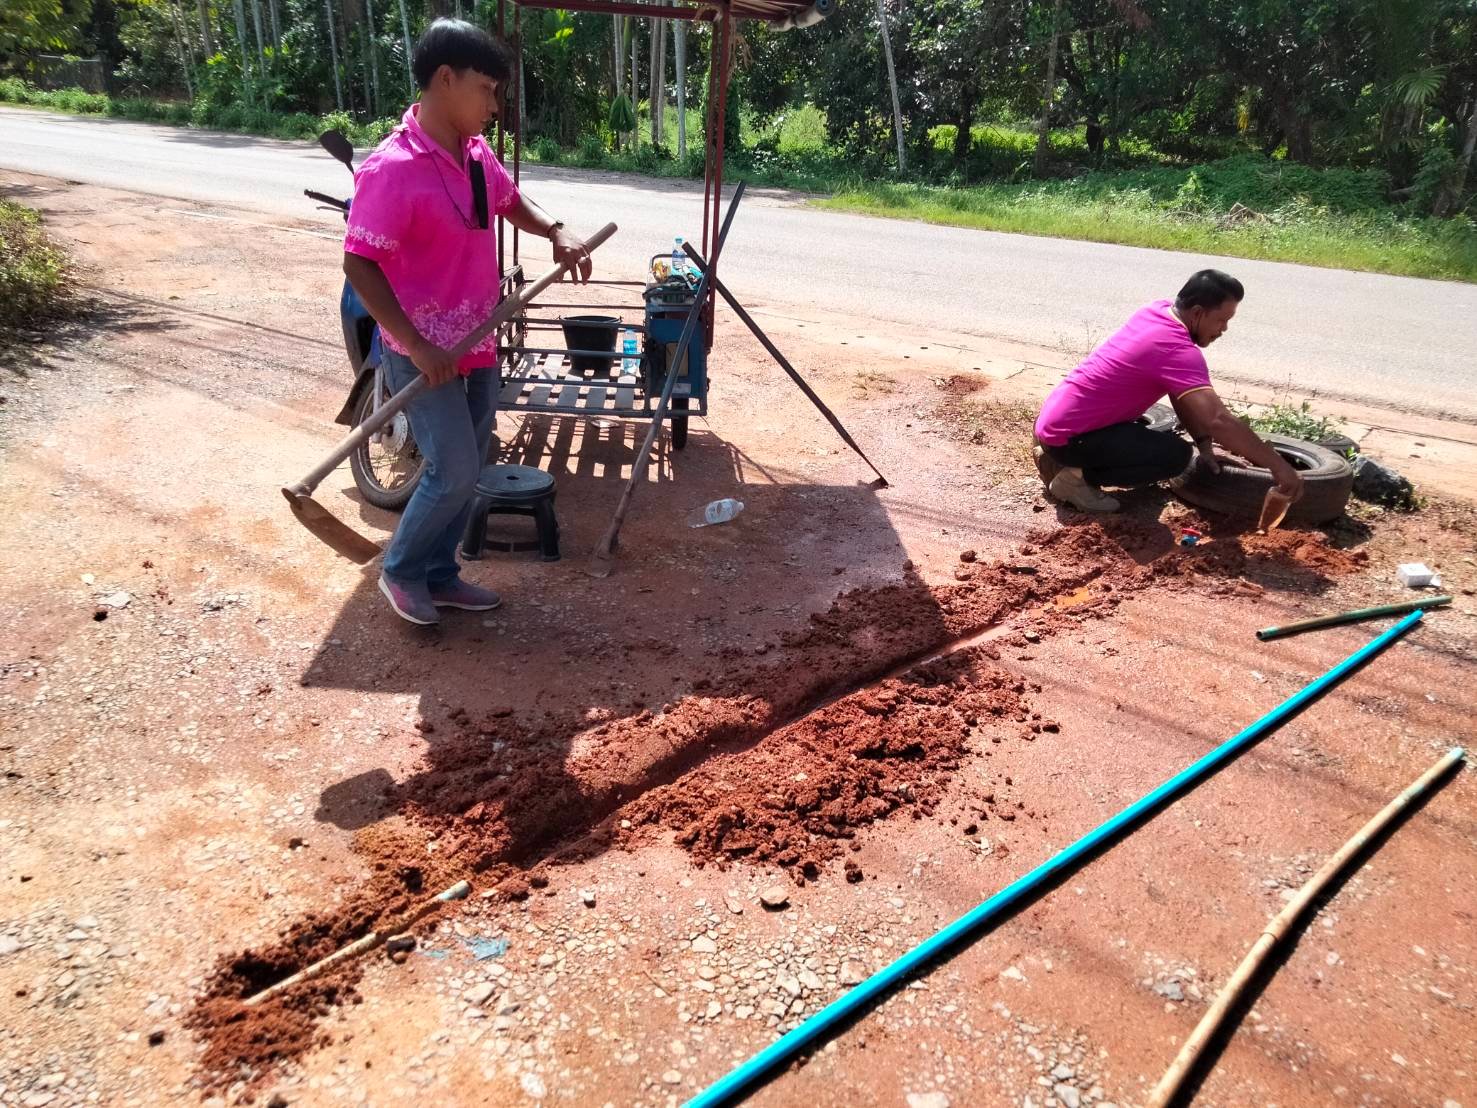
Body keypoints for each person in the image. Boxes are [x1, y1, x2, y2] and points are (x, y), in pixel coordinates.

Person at [343, 19, 594, 625]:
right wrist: (413, 342)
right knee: (453, 468)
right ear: (445, 79)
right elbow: (359, 263)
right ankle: (400, 571)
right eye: (486, 88)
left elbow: (511, 204)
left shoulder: (477, 157)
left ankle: (440, 575)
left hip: (479, 342)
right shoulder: (392, 168)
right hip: (422, 349)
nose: (494, 105)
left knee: (470, 467)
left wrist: (555, 230)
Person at [1032, 269, 1305, 513]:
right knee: (1174, 457)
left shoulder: (1157, 311)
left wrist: (1205, 446)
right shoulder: (1176, 350)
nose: (1224, 329)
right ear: (1197, 313)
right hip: (1071, 438)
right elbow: (1218, 419)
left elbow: (1180, 393)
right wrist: (1278, 466)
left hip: (1057, 424)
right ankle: (1075, 480)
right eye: (1222, 320)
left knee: (1171, 448)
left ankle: (1061, 461)